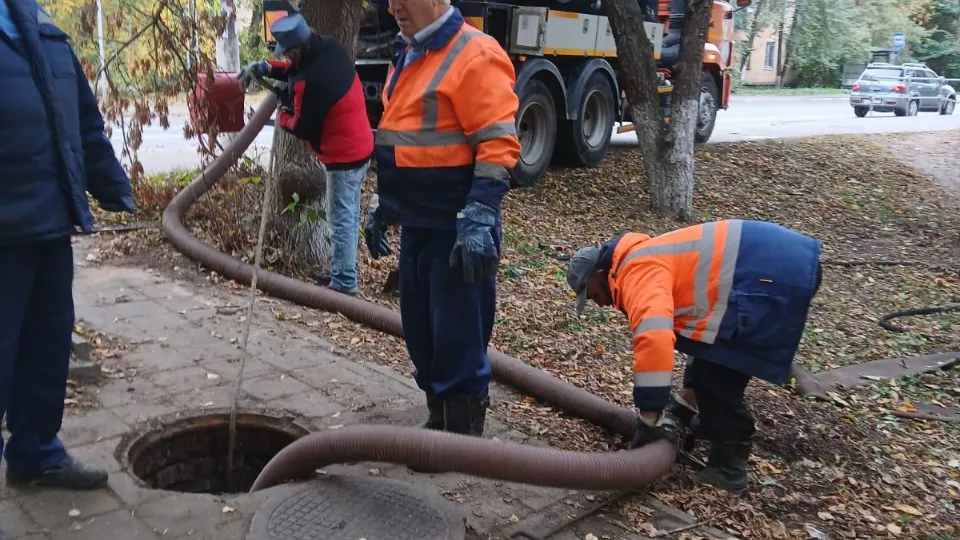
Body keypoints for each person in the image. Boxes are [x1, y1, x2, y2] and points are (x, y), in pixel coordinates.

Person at [567, 219, 823, 494]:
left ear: (601, 272)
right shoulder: (637, 258)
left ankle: (728, 469)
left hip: (775, 273)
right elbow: (701, 333)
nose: (601, 304)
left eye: (592, 295)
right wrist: (683, 406)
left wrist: (649, 419)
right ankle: (705, 420)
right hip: (772, 266)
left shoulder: (636, 273)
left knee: (719, 378)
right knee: (715, 356)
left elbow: (654, 340)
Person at [0, 0, 136, 515]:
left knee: (47, 345)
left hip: (49, 227)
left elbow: (81, 122)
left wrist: (111, 184)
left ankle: (36, 453)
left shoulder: (46, 31)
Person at [364, 0, 521, 437]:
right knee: (421, 329)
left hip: (457, 229)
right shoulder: (409, 55)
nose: (394, 6)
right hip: (418, 225)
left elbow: (497, 144)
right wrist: (384, 204)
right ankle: (439, 415)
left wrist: (479, 215)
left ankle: (462, 432)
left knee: (456, 333)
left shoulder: (475, 54)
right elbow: (401, 139)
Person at [238, 13, 374, 296]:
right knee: (346, 216)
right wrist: (267, 67)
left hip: (344, 157)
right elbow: (293, 70)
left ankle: (345, 284)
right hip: (361, 147)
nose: (285, 57)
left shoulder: (309, 81)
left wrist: (283, 114)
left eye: (286, 53)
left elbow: (303, 127)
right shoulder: (329, 47)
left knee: (341, 220)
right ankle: (341, 272)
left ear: (295, 50)